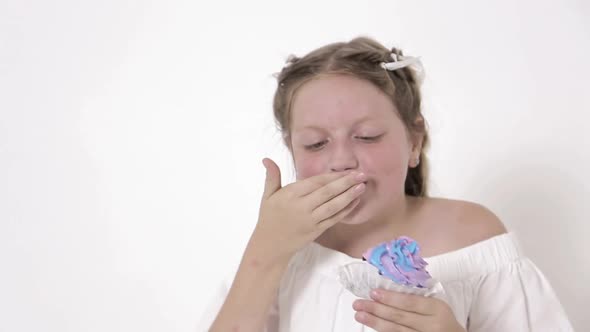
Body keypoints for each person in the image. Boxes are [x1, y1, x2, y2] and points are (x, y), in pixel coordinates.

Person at [197, 37, 573, 331]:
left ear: (414, 141)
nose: (341, 160)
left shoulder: (474, 238)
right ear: (291, 150)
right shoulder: (286, 252)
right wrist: (266, 250)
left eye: (368, 136)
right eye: (316, 143)